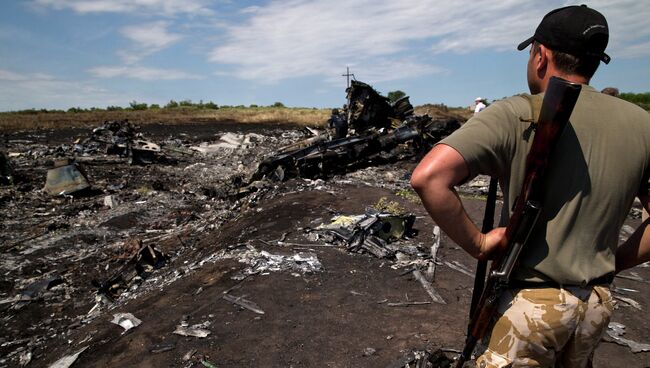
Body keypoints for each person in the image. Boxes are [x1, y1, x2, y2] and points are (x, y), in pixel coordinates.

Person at [410, 5, 650, 367]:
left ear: (541, 56)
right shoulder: (642, 123)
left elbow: (429, 177)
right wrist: (610, 263)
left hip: (530, 307)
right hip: (596, 306)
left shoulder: (519, 112)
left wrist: (479, 243)